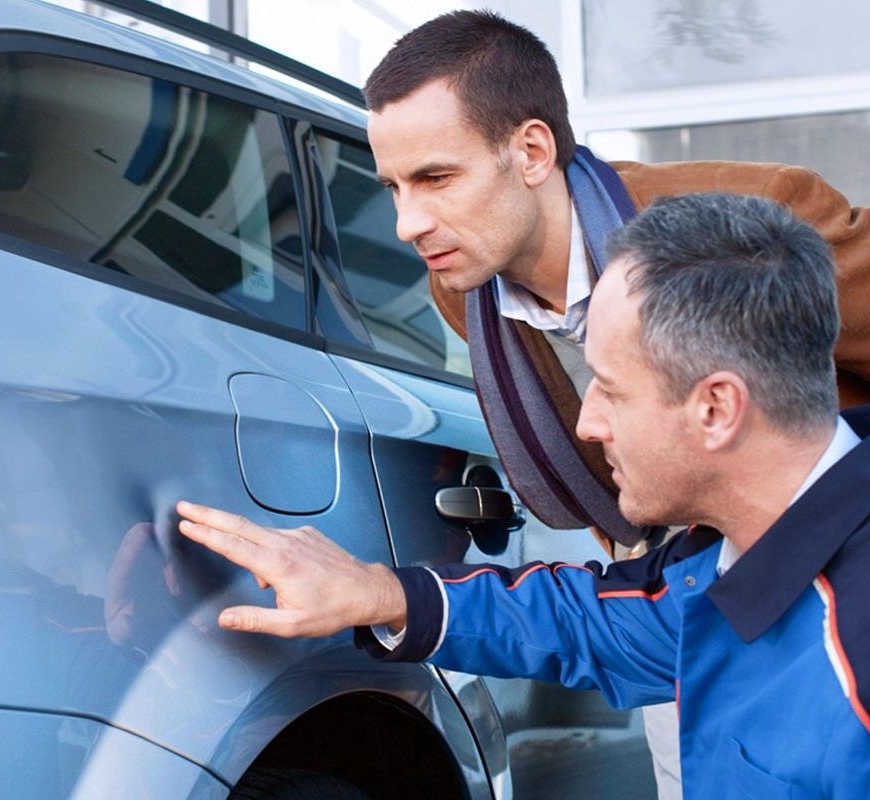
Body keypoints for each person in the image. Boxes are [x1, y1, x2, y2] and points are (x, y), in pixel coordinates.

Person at [177, 193, 870, 798]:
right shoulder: (729, 562)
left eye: (612, 390)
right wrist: (381, 593)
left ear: (716, 409)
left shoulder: (853, 663)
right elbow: (592, 620)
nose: (586, 423)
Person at [359, 10, 870, 794]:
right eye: (393, 187)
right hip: (680, 584)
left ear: (532, 152)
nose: (406, 223)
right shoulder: (462, 285)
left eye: (435, 178)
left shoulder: (746, 228)